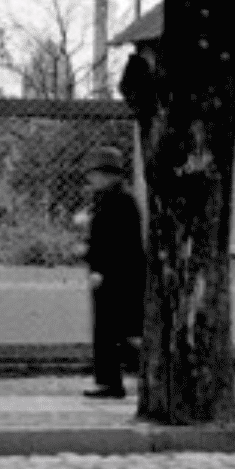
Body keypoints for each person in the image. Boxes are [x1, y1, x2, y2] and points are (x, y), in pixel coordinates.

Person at [82, 144, 144, 400]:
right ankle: (111, 378)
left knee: (112, 329)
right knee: (117, 330)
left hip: (117, 276)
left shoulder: (119, 200)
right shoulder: (109, 198)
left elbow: (117, 243)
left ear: (108, 174)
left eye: (94, 173)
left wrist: (101, 270)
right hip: (112, 274)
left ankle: (110, 382)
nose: (90, 178)